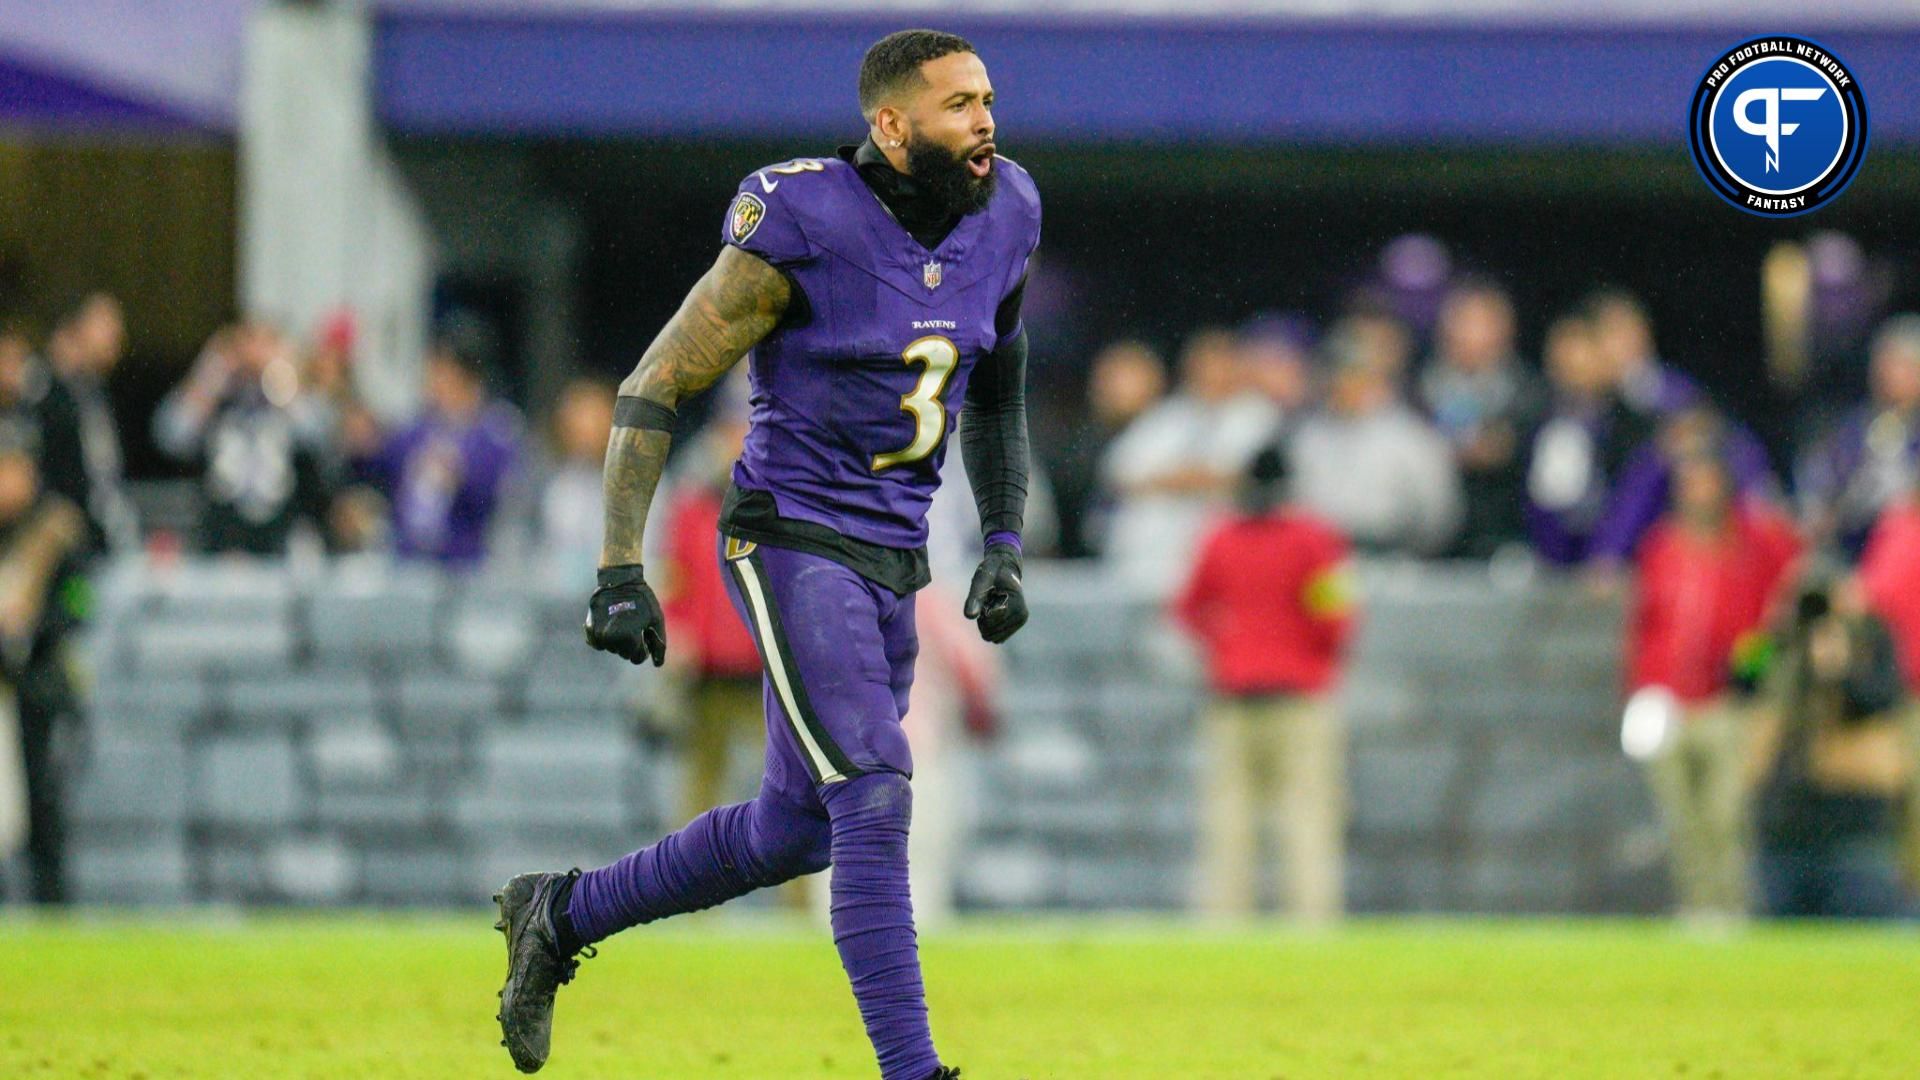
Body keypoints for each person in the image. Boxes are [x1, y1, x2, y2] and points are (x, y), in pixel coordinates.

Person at [494, 30, 1038, 1080]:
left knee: (797, 829)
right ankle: (913, 1072)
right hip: (790, 534)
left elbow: (1000, 381)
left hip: (892, 551)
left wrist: (1004, 542)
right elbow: (659, 379)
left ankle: (558, 914)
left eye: (989, 99)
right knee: (876, 787)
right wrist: (619, 564)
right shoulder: (806, 217)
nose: (986, 121)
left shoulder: (1009, 207)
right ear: (890, 123)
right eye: (959, 104)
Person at [1174, 445, 1355, 924]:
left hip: (1234, 693)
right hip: (1299, 696)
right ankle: (1310, 922)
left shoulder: (1220, 539)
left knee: (1229, 818)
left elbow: (1188, 609)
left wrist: (1228, 644)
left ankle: (1224, 923)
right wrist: (1309, 656)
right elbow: (1336, 617)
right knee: (1307, 815)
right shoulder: (1315, 541)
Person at [1627, 448, 1801, 922]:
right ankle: (1697, 909)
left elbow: (1776, 610)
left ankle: (1732, 909)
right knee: (1680, 817)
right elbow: (1644, 626)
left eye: (1707, 483)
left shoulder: (1748, 549)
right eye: (1689, 485)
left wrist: (1753, 681)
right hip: (1663, 700)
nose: (1698, 494)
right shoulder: (1661, 548)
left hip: (1723, 701)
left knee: (1726, 813)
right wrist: (1639, 689)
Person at [1749, 567, 1914, 919]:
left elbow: (1880, 699)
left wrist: (1841, 663)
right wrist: (1773, 630)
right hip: (1786, 827)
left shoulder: (1874, 638)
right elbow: (1742, 678)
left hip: (1853, 829)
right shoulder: (1780, 645)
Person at [1098, 329, 1277, 593]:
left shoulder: (1257, 414)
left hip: (1229, 553)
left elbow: (1250, 476)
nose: (1211, 372)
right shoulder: (1169, 414)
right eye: (1204, 364)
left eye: (1220, 363)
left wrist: (1175, 478)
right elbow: (1119, 472)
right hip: (1157, 556)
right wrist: (1191, 478)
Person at [0, 421, 90, 904]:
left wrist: (34, 632)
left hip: (41, 682)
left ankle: (51, 901)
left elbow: (80, 600)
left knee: (44, 800)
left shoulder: (57, 526)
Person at [153, 319, 335, 555]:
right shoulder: (217, 394)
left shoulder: (289, 398)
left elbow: (320, 438)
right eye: (246, 343)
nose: (253, 354)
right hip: (224, 527)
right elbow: (172, 437)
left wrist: (282, 375)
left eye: (264, 343)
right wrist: (210, 375)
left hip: (281, 528)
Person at [1290, 320, 1462, 556]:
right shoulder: (1307, 434)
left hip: (1393, 555)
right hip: (1320, 557)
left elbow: (1439, 516)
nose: (1343, 383)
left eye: (1355, 372)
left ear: (1376, 377)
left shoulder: (1411, 436)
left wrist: (1414, 555)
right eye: (1338, 372)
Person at [358, 318, 522, 566]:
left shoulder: (495, 432)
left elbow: (501, 498)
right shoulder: (415, 431)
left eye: (442, 371)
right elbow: (379, 465)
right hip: (408, 560)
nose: (433, 381)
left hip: (464, 564)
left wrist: (460, 476)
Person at [1417, 279, 1544, 558]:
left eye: (1481, 323)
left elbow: (1511, 452)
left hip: (1504, 537)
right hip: (1433, 542)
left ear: (1505, 330)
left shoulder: (1529, 391)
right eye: (1461, 321)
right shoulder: (1419, 387)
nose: (1468, 334)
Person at [1524, 314, 1651, 566]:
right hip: (1550, 562)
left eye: (1581, 360)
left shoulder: (1633, 427)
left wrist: (1609, 554)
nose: (1571, 372)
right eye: (1562, 364)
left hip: (1615, 565)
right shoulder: (1537, 421)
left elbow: (1634, 501)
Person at [1795, 313, 1920, 557]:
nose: (1886, 374)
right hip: (1853, 548)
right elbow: (1817, 478)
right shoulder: (1856, 425)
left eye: (1901, 365)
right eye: (1882, 363)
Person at [1047, 339, 1165, 558]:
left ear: (1155, 382)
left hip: (1147, 559)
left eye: (1126, 378)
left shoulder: (1170, 435)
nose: (1112, 387)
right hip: (1079, 559)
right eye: (1107, 378)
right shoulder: (1075, 441)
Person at [39, 292, 136, 555]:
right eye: (106, 324)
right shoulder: (45, 396)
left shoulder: (95, 394)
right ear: (74, 329)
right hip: (64, 546)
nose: (117, 335)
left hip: (102, 538)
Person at [534, 378, 618, 591]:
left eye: (595, 421)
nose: (586, 433)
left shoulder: (643, 486)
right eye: (577, 423)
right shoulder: (550, 483)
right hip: (554, 604)